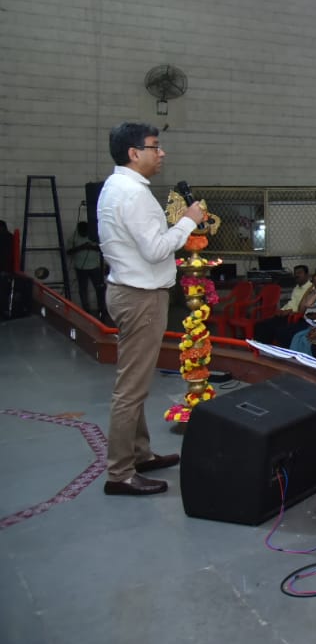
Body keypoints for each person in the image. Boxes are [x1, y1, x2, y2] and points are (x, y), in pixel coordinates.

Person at [96, 122, 203, 496]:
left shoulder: (118, 187)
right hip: (140, 296)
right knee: (131, 388)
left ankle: (139, 454)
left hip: (129, 290)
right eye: (155, 146)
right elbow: (157, 250)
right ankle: (120, 473)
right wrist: (189, 220)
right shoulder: (133, 195)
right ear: (133, 153)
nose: (162, 153)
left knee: (135, 383)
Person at [68, 219, 105, 314]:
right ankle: (86, 309)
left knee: (99, 288)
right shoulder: (73, 237)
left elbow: (103, 248)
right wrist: (81, 247)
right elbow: (68, 252)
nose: (84, 234)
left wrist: (91, 247)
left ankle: (102, 308)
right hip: (81, 268)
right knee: (83, 289)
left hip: (95, 267)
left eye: (85, 232)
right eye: (82, 232)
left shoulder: (94, 236)